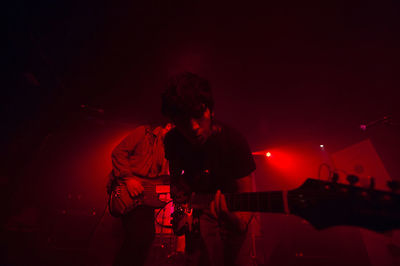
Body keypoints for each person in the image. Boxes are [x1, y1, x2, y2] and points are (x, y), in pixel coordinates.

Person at [161, 72, 256, 265]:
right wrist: (179, 213)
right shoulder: (172, 141)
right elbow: (176, 184)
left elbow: (247, 196)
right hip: (199, 218)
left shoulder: (234, 142)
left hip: (234, 214)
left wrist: (239, 220)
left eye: (198, 115)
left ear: (211, 111)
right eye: (183, 121)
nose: (193, 127)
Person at [107, 123, 172, 266]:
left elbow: (160, 178)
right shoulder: (143, 133)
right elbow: (118, 153)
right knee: (137, 238)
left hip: (146, 198)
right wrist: (128, 179)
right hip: (128, 191)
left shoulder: (169, 149)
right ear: (168, 126)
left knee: (146, 238)